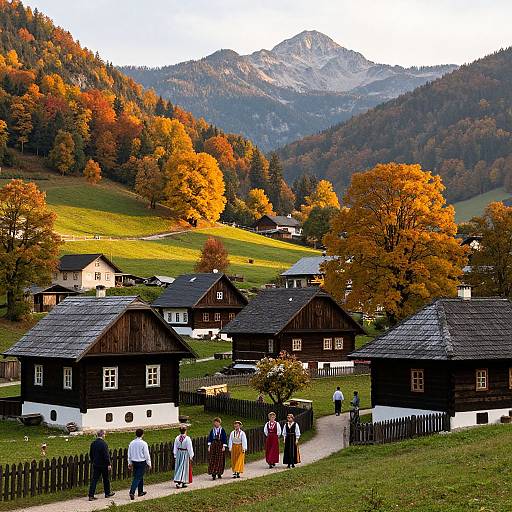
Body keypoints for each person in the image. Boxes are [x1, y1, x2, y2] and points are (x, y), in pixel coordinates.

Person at [88, 430, 115, 501]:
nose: (105, 435)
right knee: (106, 479)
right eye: (104, 434)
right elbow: (106, 455)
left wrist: (93, 461)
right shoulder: (104, 444)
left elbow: (91, 454)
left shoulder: (93, 443)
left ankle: (91, 495)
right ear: (102, 435)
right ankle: (107, 493)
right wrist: (108, 464)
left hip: (96, 464)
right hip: (103, 464)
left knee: (94, 480)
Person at [128, 429, 152, 500]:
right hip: (141, 462)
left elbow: (129, 454)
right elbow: (146, 455)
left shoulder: (131, 443)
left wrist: (129, 462)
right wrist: (149, 463)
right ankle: (132, 492)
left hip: (134, 462)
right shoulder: (143, 443)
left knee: (139, 476)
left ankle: (140, 491)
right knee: (137, 477)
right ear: (142, 434)